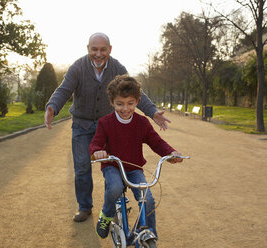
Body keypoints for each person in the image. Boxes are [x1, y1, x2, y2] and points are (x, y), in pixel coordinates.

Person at [44, 32, 171, 222]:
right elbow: (64, 89)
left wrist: (152, 112)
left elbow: (133, 90)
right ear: (88, 49)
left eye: (103, 49)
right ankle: (85, 207)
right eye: (94, 49)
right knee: (82, 168)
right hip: (82, 125)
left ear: (109, 50)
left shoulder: (117, 68)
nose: (98, 54)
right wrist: (52, 106)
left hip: (107, 126)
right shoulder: (78, 67)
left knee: (112, 165)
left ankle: (111, 207)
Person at [89, 74, 183, 239]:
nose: (125, 109)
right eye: (119, 104)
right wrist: (97, 151)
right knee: (116, 188)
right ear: (112, 102)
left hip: (134, 168)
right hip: (112, 167)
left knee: (148, 200)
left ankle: (148, 233)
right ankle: (106, 215)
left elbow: (157, 143)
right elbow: (95, 144)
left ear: (137, 102)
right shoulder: (105, 123)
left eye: (130, 103)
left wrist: (171, 153)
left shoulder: (142, 123)